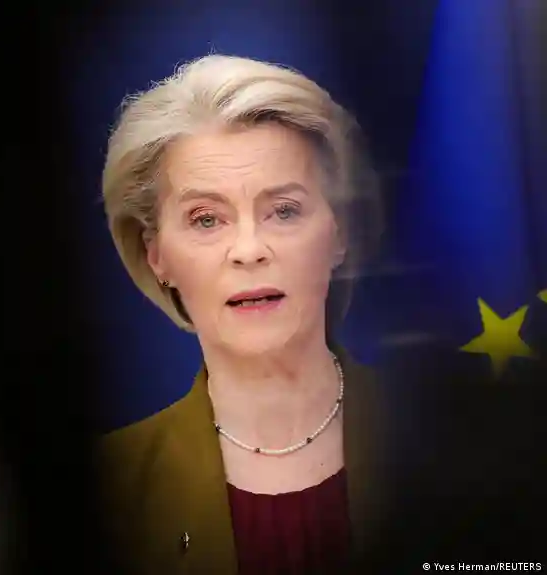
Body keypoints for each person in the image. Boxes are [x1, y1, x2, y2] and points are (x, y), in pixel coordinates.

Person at [99, 55, 544, 574]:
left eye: (284, 210)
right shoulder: (103, 488)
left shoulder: (457, 442)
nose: (249, 250)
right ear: (157, 255)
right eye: (206, 219)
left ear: (339, 232)